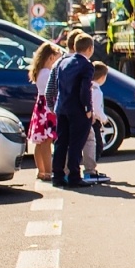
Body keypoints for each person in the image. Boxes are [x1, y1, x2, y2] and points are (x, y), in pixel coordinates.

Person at [51, 34, 97, 189]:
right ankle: (74, 177)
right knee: (76, 144)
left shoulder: (63, 62)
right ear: (90, 49)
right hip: (78, 110)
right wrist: (88, 108)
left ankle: (57, 176)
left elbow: (58, 85)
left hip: (62, 107)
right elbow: (85, 89)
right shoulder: (87, 65)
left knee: (61, 143)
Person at [26, 42, 61, 182]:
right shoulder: (47, 73)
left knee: (40, 142)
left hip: (41, 106)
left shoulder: (40, 71)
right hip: (48, 107)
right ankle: (48, 171)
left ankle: (41, 170)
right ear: (51, 57)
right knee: (47, 140)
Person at [81, 61, 111, 185]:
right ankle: (90, 170)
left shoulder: (86, 87)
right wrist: (104, 119)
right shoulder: (97, 91)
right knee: (96, 145)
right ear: (102, 77)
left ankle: (90, 169)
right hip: (93, 121)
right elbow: (97, 109)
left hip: (84, 119)